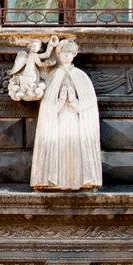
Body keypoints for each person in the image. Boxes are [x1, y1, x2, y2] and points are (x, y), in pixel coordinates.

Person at [30, 37, 102, 191]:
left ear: (74, 54)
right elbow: (47, 106)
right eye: (63, 53)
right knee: (58, 147)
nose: (66, 56)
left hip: (76, 120)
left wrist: (75, 102)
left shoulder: (81, 75)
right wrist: (61, 101)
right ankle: (54, 180)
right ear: (58, 54)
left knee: (75, 147)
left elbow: (89, 103)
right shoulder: (53, 75)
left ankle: (77, 180)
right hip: (58, 120)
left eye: (69, 53)